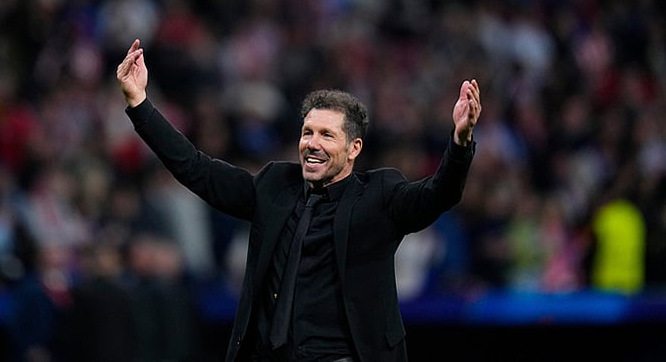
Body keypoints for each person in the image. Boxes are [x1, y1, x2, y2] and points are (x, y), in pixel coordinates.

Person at [116, 39, 480, 362]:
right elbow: (198, 169)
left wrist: (460, 142)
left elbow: (439, 194)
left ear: (354, 148)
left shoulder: (380, 193)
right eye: (307, 132)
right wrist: (140, 104)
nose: (312, 143)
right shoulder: (275, 185)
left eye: (326, 135)